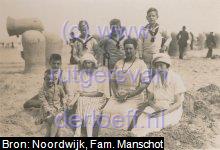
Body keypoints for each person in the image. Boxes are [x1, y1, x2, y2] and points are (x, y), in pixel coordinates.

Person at [131, 53, 186, 136]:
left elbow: (178, 103)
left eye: (161, 66)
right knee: (142, 120)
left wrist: (164, 112)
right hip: (156, 107)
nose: (159, 69)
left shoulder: (175, 78)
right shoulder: (155, 79)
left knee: (154, 123)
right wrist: (155, 107)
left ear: (167, 66)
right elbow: (149, 99)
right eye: (157, 66)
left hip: (171, 109)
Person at [101, 38, 149, 130]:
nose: (128, 51)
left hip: (134, 96)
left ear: (135, 49)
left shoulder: (141, 64)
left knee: (123, 112)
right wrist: (116, 92)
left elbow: (144, 84)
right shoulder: (119, 63)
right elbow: (113, 80)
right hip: (118, 95)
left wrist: (128, 95)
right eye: (126, 49)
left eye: (131, 48)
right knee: (107, 111)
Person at [73, 53, 110, 137]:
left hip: (97, 98)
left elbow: (100, 93)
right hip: (84, 98)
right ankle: (78, 130)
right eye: (85, 63)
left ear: (93, 64)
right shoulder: (81, 74)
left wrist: (85, 94)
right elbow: (79, 90)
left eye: (89, 63)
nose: (87, 65)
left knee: (89, 110)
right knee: (81, 100)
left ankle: (89, 134)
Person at [38, 54, 71, 137]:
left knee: (57, 120)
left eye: (58, 64)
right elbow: (44, 89)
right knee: (28, 103)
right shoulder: (47, 73)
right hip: (48, 95)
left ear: (60, 64)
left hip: (58, 97)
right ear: (50, 63)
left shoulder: (63, 74)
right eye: (53, 63)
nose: (55, 66)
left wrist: (65, 102)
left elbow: (67, 92)